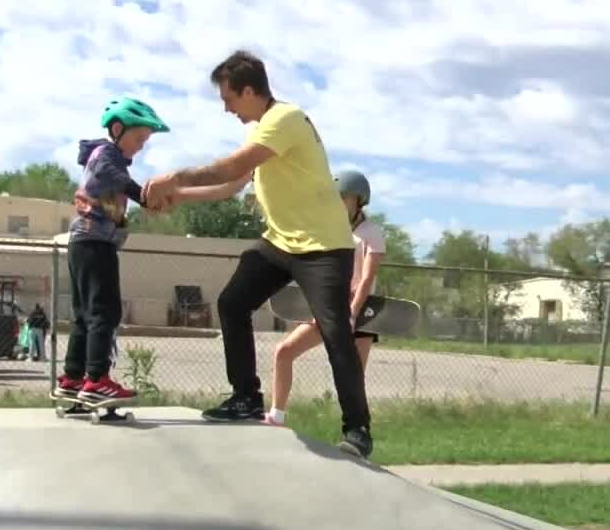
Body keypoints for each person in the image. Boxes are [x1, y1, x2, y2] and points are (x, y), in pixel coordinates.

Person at [145, 50, 373, 458]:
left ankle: (357, 429)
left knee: (335, 330)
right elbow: (229, 188)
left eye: (228, 98)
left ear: (249, 91)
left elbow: (230, 169)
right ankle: (246, 398)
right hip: (280, 243)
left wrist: (173, 177)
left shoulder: (285, 120)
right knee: (233, 303)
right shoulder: (261, 133)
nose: (226, 107)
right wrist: (177, 196)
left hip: (323, 247)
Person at [52, 96, 170, 404]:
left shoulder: (98, 155)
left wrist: (132, 209)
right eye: (139, 138)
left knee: (84, 314)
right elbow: (115, 178)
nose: (142, 145)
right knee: (105, 311)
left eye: (145, 140)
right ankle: (97, 379)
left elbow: (103, 192)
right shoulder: (107, 154)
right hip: (94, 242)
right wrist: (143, 195)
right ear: (117, 129)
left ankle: (73, 377)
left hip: (84, 242)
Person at [263, 170, 384, 427]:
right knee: (284, 352)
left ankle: (355, 430)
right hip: (330, 306)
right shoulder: (331, 230)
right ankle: (277, 415)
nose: (338, 202)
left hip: (360, 313)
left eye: (344, 198)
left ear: (359, 201)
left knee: (354, 376)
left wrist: (352, 313)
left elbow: (366, 279)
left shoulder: (371, 233)